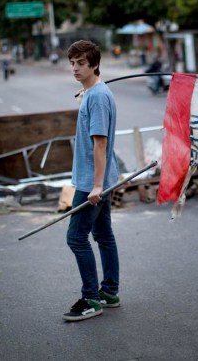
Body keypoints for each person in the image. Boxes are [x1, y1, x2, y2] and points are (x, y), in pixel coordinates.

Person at [63, 40, 120, 322]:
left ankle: (91, 298)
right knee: (103, 235)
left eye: (81, 63)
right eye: (72, 63)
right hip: (103, 178)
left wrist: (96, 186)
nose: (75, 68)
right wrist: (85, 95)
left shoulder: (97, 97)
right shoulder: (94, 93)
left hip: (92, 182)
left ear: (94, 64)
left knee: (76, 237)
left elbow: (100, 143)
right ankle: (109, 291)